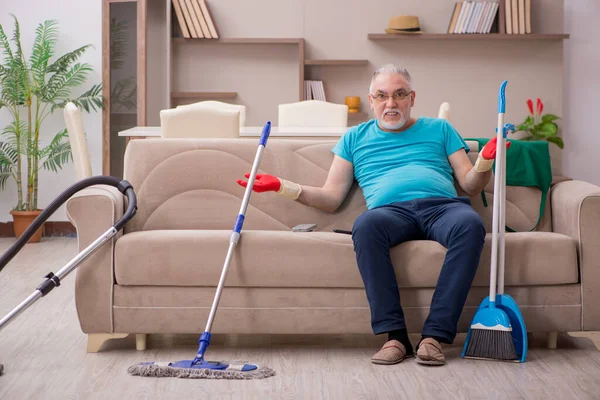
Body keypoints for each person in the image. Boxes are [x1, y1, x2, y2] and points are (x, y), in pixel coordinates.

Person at [236, 64, 508, 366]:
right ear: (371, 99)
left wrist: (484, 161)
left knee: (470, 224)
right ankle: (395, 337)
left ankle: (434, 337)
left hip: (442, 207)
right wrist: (282, 186)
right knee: (365, 225)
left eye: (399, 94)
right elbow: (331, 198)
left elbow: (470, 185)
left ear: (412, 97)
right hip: (389, 214)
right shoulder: (354, 138)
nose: (390, 104)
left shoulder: (440, 129)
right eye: (382, 96)